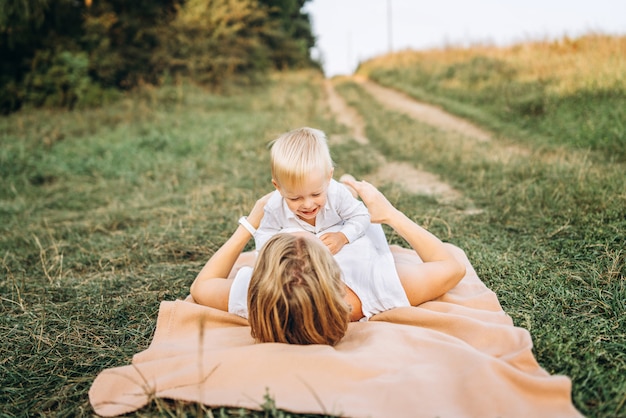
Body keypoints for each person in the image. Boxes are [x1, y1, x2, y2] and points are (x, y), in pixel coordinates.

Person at [190, 178, 466, 345]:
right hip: (357, 229)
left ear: (262, 274)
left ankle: (346, 186)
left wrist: (251, 223)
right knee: (345, 196)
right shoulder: (376, 287)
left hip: (341, 222)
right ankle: (349, 186)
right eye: (312, 236)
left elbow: (202, 285)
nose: (312, 231)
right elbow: (452, 267)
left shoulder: (257, 298)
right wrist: (391, 214)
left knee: (338, 195)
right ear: (336, 271)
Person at [254, 126, 370, 255]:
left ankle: (349, 185)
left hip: (341, 201)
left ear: (328, 178)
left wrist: (342, 236)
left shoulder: (335, 193)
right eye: (295, 198)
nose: (308, 205)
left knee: (348, 195)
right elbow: (263, 235)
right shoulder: (275, 206)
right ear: (278, 187)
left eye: (316, 194)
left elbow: (362, 216)